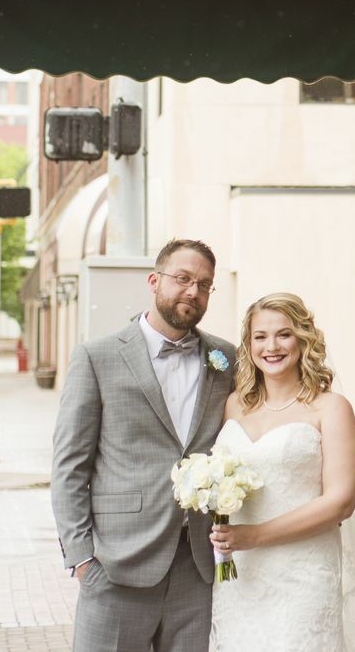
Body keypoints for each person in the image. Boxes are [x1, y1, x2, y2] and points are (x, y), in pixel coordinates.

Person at [53, 240, 238, 652]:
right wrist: (82, 558)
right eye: (183, 278)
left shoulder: (226, 358)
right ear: (154, 281)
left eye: (205, 284)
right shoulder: (96, 357)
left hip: (197, 566)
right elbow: (69, 467)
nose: (193, 291)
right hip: (117, 563)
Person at [207, 292, 355, 652]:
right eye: (260, 336)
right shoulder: (234, 405)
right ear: (249, 344)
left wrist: (253, 536)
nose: (272, 346)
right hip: (240, 576)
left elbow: (340, 503)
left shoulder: (330, 408)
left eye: (283, 334)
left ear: (303, 339)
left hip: (303, 576)